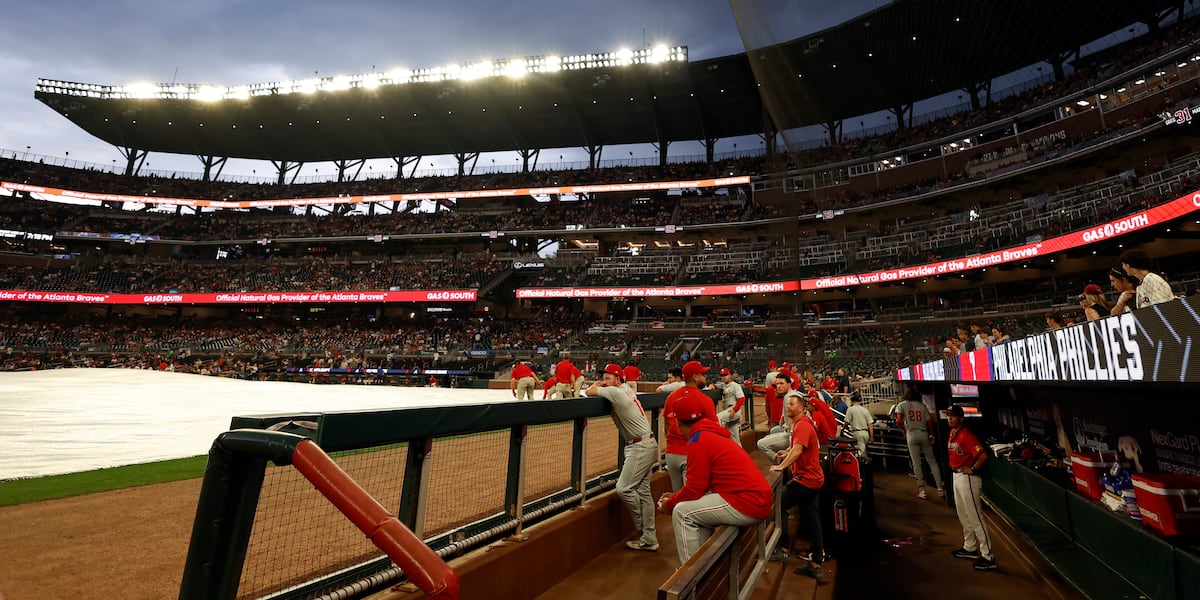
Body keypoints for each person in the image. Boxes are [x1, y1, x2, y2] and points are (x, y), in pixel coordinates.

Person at [657, 388, 772, 565]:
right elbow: (700, 487)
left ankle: (690, 575)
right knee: (692, 508)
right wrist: (676, 496)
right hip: (753, 497)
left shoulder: (698, 440)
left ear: (678, 423)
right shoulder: (709, 432)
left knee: (681, 513)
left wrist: (670, 504)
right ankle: (704, 564)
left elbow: (694, 489)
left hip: (748, 501)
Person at [586, 363, 659, 551]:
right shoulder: (625, 389)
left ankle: (642, 530)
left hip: (640, 446)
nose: (604, 381)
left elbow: (589, 391)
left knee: (624, 488)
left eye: (608, 378)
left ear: (618, 379)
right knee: (643, 493)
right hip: (647, 442)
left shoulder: (616, 392)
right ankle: (649, 538)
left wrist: (599, 386)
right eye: (603, 378)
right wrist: (604, 385)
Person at [770, 393, 825, 580]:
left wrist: (781, 466)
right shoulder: (802, 424)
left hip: (806, 480)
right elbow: (797, 447)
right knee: (812, 519)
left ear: (801, 407)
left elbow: (799, 450)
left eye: (792, 404)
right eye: (787, 404)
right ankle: (816, 563)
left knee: (780, 504)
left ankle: (784, 548)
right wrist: (786, 452)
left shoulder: (802, 425)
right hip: (813, 479)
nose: (788, 406)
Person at [947, 404, 997, 570]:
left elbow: (983, 456)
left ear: (961, 418)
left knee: (975, 518)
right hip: (956, 476)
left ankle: (988, 556)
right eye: (948, 415)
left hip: (967, 478)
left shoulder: (967, 435)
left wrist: (973, 469)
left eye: (953, 415)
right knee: (964, 515)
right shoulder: (953, 433)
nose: (949, 418)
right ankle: (970, 547)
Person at [663, 361, 718, 491]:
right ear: (695, 377)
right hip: (691, 454)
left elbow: (666, 425)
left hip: (671, 454)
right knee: (693, 497)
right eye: (702, 374)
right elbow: (713, 431)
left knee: (678, 497)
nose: (705, 377)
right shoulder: (704, 400)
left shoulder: (671, 396)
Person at [896, 387, 944, 499]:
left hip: (911, 434)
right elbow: (929, 421)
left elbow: (898, 421)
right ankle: (940, 488)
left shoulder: (902, 405)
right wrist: (932, 435)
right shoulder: (922, 405)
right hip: (924, 433)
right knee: (932, 461)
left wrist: (903, 429)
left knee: (916, 463)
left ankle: (922, 491)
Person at [757, 371, 800, 457]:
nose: (778, 386)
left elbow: (795, 423)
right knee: (773, 430)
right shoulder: (790, 395)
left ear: (789, 384)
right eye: (777, 384)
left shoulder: (789, 397)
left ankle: (781, 461)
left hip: (794, 434)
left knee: (761, 444)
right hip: (789, 430)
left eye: (781, 383)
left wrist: (791, 447)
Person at [715, 367, 746, 439]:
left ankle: (716, 440)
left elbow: (741, 399)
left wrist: (734, 410)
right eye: (722, 375)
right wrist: (712, 385)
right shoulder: (723, 385)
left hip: (734, 410)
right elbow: (714, 385)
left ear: (729, 375)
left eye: (725, 375)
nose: (724, 377)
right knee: (734, 439)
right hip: (728, 411)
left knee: (717, 418)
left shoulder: (735, 385)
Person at [843, 390, 873, 456]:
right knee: (864, 450)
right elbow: (870, 423)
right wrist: (871, 436)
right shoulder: (865, 410)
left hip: (857, 433)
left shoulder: (850, 409)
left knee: (861, 453)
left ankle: (862, 462)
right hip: (866, 433)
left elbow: (847, 422)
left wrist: (843, 429)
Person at [764, 360, 783, 428]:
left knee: (771, 410)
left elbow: (767, 388)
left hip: (772, 393)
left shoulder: (769, 375)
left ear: (769, 367)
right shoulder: (780, 373)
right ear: (776, 366)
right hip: (781, 394)